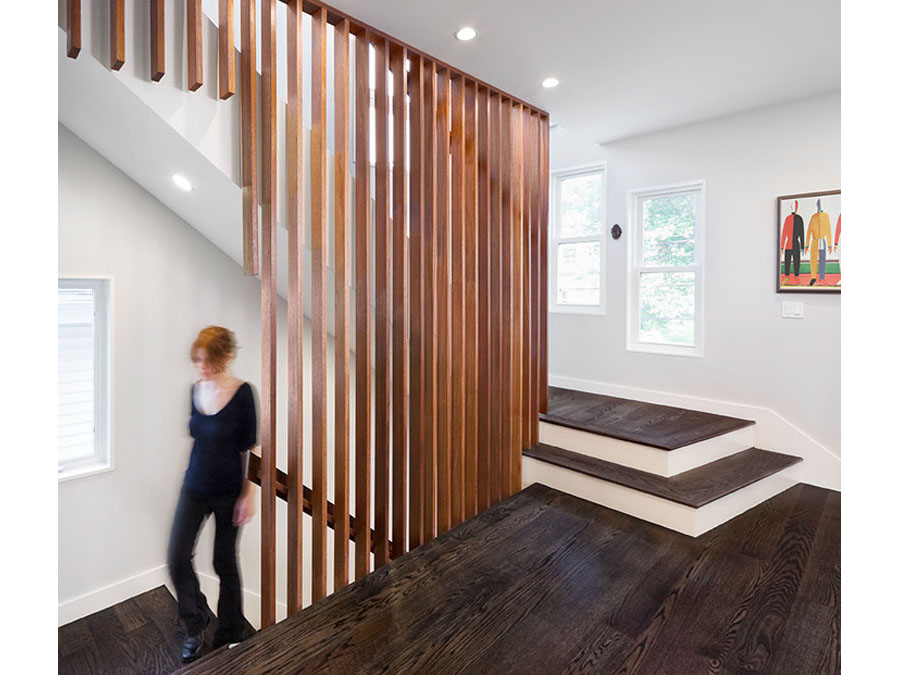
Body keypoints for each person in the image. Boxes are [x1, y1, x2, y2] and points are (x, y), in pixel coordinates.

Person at [167, 326, 257, 662]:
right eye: (198, 362)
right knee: (176, 557)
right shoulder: (194, 390)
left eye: (208, 362)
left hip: (229, 493)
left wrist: (247, 495)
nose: (201, 368)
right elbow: (197, 438)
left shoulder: (244, 393)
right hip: (194, 487)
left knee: (224, 562)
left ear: (224, 358)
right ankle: (195, 623)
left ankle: (230, 633)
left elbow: (250, 449)